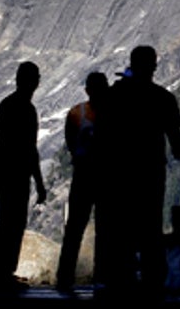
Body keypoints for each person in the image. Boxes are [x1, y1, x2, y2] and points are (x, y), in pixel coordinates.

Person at [102, 46, 180, 295]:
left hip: (121, 171)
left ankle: (119, 276)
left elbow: (103, 133)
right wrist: (178, 150)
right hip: (150, 170)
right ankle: (152, 279)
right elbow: (176, 139)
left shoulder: (115, 95)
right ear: (153, 66)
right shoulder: (162, 97)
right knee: (150, 225)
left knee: (121, 224)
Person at [0, 61, 47, 293]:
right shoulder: (25, 109)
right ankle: (3, 272)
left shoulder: (7, 104)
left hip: (4, 167)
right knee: (13, 222)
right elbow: (29, 148)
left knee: (7, 221)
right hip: (16, 170)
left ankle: (1, 271)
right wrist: (39, 182)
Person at [56, 72, 109, 293]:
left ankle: (67, 276)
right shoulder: (79, 113)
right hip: (96, 175)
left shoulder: (78, 113)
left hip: (89, 175)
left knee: (81, 228)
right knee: (94, 229)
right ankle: (94, 276)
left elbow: (70, 143)